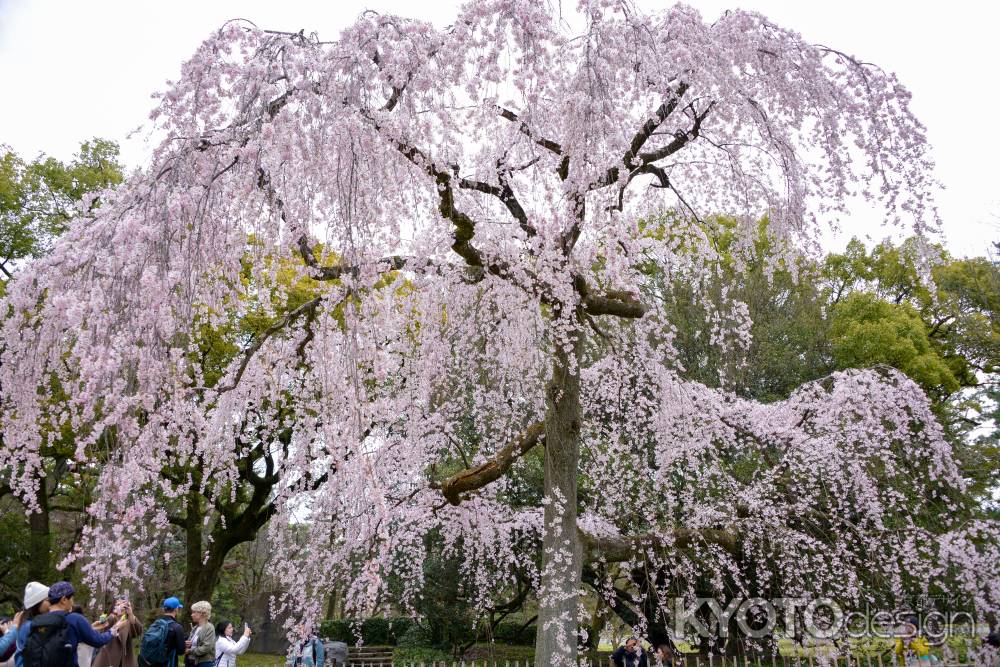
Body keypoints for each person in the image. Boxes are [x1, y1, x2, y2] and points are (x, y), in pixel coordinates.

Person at [22, 581, 127, 667]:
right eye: (71, 598)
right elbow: (98, 641)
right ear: (63, 600)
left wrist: (91, 628)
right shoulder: (76, 619)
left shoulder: (38, 620)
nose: (72, 602)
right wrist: (115, 628)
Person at [92, 600, 142, 667]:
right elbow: (102, 627)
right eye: (118, 605)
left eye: (124, 605)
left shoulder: (129, 620)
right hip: (108, 659)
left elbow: (138, 631)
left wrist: (131, 614)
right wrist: (114, 615)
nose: (121, 607)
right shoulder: (110, 618)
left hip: (126, 659)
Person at [138, 598, 186, 667]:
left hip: (151, 663)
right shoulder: (177, 627)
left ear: (164, 609)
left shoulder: (156, 623)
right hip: (167, 663)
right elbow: (181, 651)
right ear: (176, 609)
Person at [14, 582, 50, 667]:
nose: (51, 602)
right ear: (37, 603)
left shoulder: (30, 623)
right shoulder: (29, 626)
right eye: (47, 600)